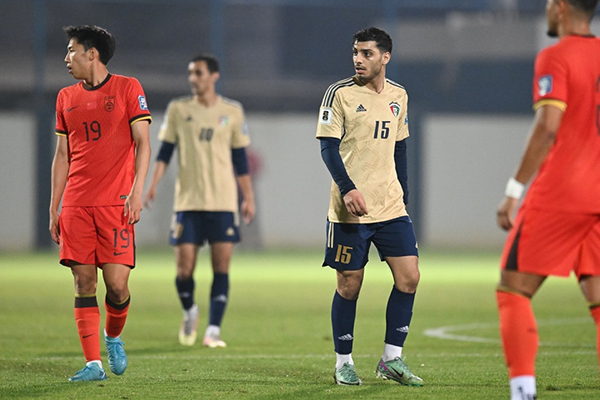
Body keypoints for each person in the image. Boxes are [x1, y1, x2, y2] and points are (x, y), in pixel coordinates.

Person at [496, 1, 600, 399]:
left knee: (513, 289)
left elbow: (547, 127)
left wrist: (514, 190)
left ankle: (523, 393)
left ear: (560, 7)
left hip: (563, 193)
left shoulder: (556, 56)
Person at [316, 27, 423, 387]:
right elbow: (328, 148)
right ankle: (343, 362)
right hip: (350, 210)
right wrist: (348, 189)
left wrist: (403, 193)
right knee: (350, 284)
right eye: (355, 53)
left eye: (366, 53)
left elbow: (400, 147)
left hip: (390, 207)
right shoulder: (339, 94)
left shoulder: (398, 95)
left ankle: (391, 359)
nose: (358, 59)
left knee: (409, 278)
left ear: (385, 57)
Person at [49, 25, 152, 382]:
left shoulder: (128, 88)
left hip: (115, 205)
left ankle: (113, 336)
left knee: (118, 285)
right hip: (77, 204)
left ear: (92, 54)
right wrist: (54, 206)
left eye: (71, 50)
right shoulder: (65, 97)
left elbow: (143, 144)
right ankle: (93, 364)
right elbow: (62, 155)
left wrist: (137, 192)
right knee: (83, 282)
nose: (66, 58)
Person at [144, 54, 255, 348]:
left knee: (221, 269)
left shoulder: (232, 111)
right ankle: (189, 311)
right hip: (188, 203)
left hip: (223, 203)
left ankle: (213, 331)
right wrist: (152, 184)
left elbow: (240, 159)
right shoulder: (179, 109)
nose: (193, 78)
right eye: (191, 73)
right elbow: (165, 152)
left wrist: (248, 197)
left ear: (214, 76)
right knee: (183, 271)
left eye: (199, 73)